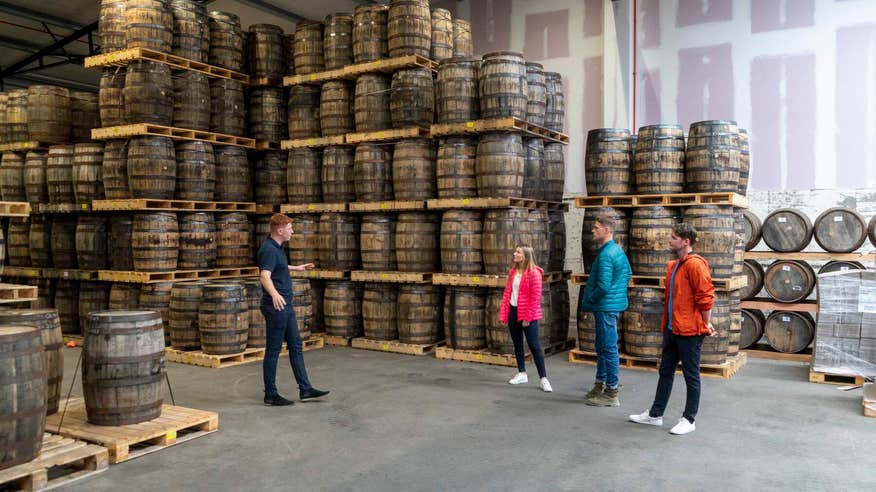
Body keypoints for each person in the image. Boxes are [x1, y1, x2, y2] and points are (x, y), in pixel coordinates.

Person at [629, 223, 715, 435]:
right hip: (672, 328)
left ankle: (689, 419)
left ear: (686, 241)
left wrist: (707, 323)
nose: (670, 240)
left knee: (691, 375)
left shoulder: (695, 265)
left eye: (674, 237)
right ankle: (655, 415)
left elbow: (706, 298)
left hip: (690, 331)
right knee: (665, 371)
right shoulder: (675, 265)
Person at [258, 213, 329, 406]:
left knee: (296, 346)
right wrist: (274, 294)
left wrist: (296, 268)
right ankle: (270, 394)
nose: (292, 231)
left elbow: (277, 267)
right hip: (276, 306)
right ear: (280, 231)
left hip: (285, 306)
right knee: (273, 349)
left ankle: (305, 389)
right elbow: (265, 275)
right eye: (290, 228)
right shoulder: (269, 249)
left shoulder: (277, 247)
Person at [580, 215, 632, 406]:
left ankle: (611, 392)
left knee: (608, 348)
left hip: (604, 306)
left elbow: (602, 286)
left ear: (607, 230)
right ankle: (600, 384)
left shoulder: (605, 255)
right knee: (603, 346)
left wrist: (591, 299)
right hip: (611, 305)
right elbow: (628, 273)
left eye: (596, 227)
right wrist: (617, 292)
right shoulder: (616, 250)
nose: (593, 230)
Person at [498, 245, 552, 392]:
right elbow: (507, 294)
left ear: (525, 256)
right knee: (517, 344)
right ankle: (522, 373)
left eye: (518, 252)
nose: (514, 254)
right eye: (515, 251)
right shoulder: (513, 272)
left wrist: (527, 317)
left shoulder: (534, 273)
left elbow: (535, 298)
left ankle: (543, 378)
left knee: (534, 346)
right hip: (513, 312)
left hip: (528, 314)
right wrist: (504, 313)